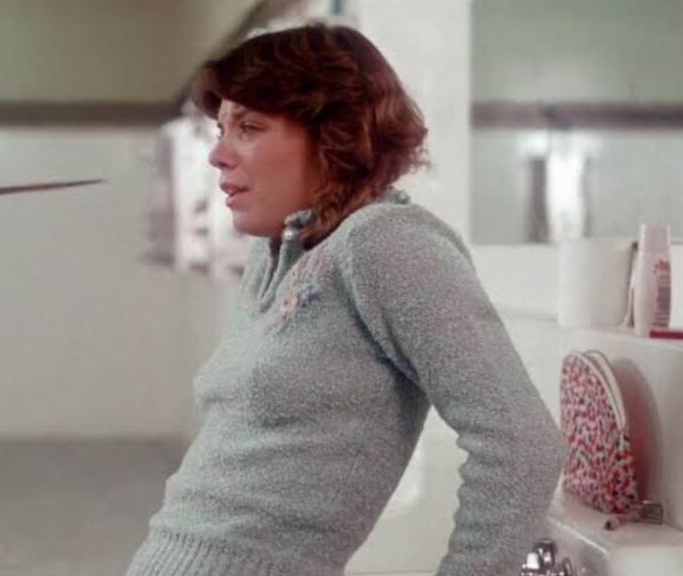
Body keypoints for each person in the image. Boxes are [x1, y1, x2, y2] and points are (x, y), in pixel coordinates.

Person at [124, 23, 566, 576]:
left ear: (333, 135)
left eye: (249, 127)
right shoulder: (275, 252)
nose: (217, 154)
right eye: (221, 129)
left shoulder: (386, 243)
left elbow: (523, 443)